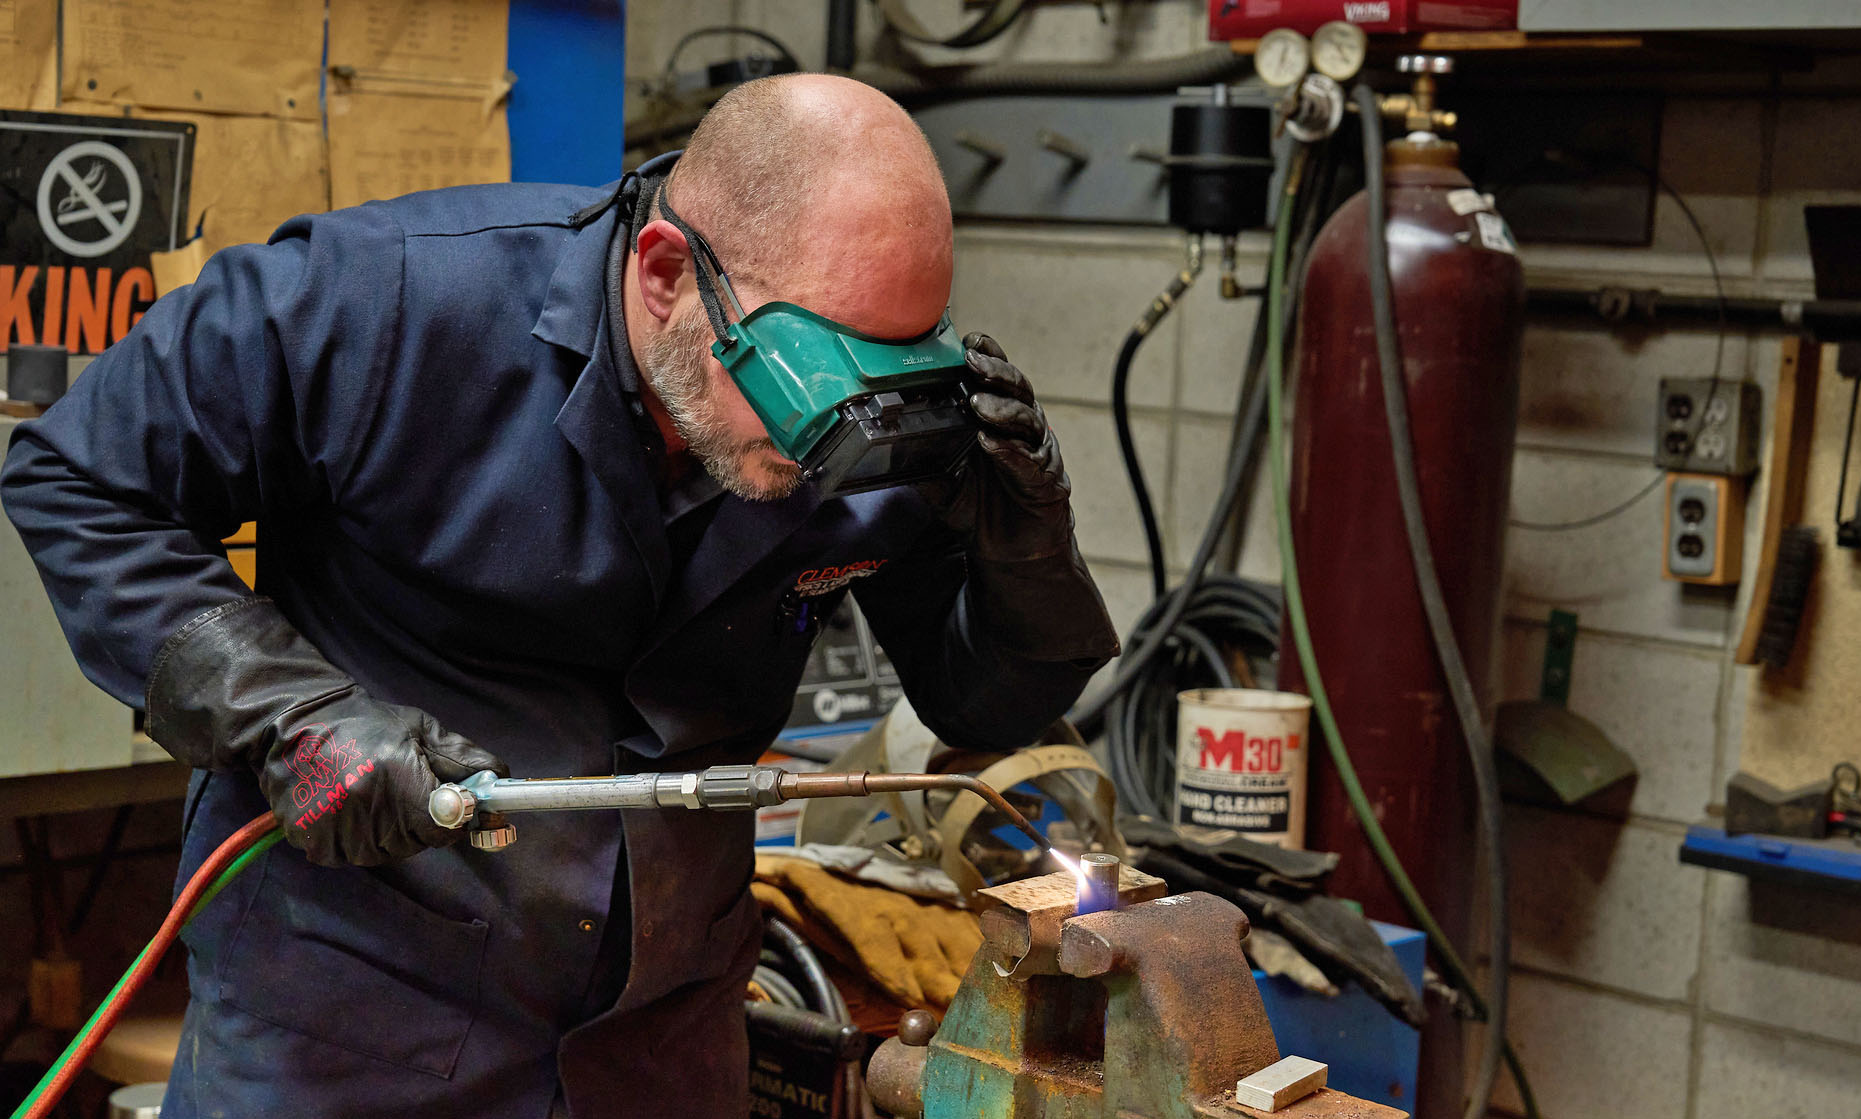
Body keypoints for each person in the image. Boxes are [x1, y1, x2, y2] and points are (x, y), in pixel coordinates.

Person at [0, 74, 1118, 1118]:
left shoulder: (870, 415)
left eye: (889, 378)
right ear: (668, 274)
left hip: (659, 1038)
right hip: (351, 1026)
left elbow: (979, 710)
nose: (833, 441)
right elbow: (77, 477)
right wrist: (287, 714)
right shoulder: (381, 304)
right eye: (812, 381)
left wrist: (1027, 557)